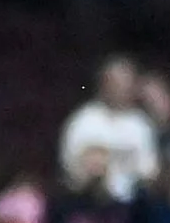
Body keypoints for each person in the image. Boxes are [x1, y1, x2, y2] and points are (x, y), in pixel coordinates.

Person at [59, 56, 161, 201]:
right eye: (116, 83)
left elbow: (150, 171)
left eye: (127, 83)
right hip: (88, 200)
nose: (122, 89)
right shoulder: (83, 120)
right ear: (104, 84)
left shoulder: (142, 125)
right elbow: (70, 169)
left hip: (132, 204)